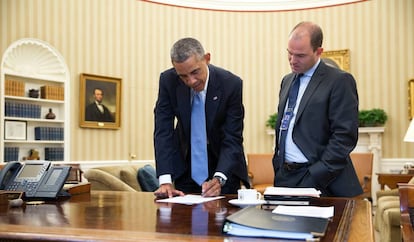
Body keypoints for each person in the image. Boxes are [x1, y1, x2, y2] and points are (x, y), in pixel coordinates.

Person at [272, 21, 363, 197]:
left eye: (300, 55)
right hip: (286, 177)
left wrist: (317, 173)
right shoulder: (287, 81)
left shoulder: (339, 81)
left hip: (321, 179)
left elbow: (344, 136)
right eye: (289, 53)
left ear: (318, 51)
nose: (292, 60)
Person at [153, 37, 250, 198]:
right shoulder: (168, 81)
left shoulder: (231, 84)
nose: (190, 81)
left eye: (195, 72)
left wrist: (219, 178)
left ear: (207, 58)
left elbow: (232, 137)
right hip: (186, 168)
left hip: (224, 167)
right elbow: (163, 131)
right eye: (183, 76)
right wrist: (165, 180)